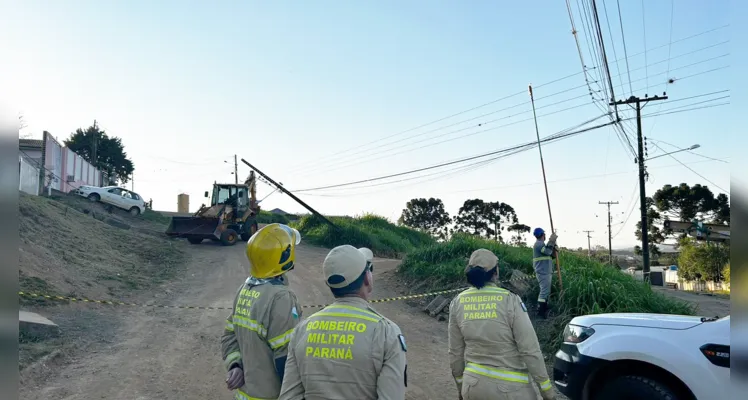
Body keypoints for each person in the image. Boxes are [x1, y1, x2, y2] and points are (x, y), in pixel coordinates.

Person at [279, 245, 407, 400]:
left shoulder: (302, 330)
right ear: (367, 278)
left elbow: (289, 396)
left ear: (329, 285)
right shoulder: (387, 333)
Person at [448, 249, 555, 400]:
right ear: (495, 273)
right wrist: (547, 393)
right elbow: (530, 350)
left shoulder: (457, 302)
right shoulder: (510, 300)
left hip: (472, 387)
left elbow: (455, 352)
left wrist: (461, 387)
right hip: (512, 390)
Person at [221, 223, 303, 400]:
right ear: (285, 255)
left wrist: (235, 365)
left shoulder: (245, 289)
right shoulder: (281, 297)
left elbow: (229, 335)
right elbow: (286, 358)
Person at [532, 227, 558, 319]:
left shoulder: (541, 244)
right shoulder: (539, 244)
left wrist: (554, 248)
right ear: (543, 235)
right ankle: (540, 312)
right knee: (544, 292)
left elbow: (550, 254)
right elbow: (547, 251)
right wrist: (551, 241)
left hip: (545, 271)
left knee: (546, 291)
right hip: (543, 271)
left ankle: (544, 308)